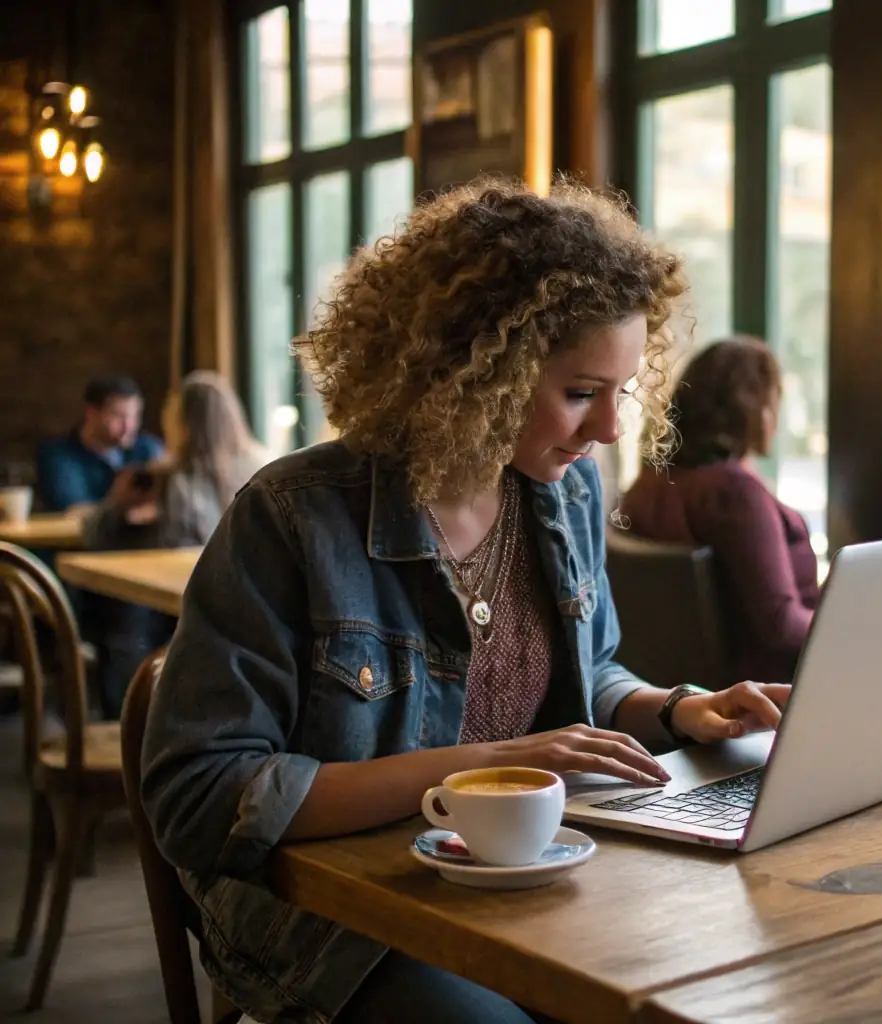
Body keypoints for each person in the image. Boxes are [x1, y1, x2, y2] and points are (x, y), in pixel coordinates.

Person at [140, 178, 791, 1024]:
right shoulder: (296, 516)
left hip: (528, 874)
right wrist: (475, 769)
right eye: (580, 392)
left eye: (621, 392)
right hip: (338, 913)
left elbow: (584, 675)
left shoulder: (565, 494)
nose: (609, 431)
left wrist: (676, 712)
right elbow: (198, 796)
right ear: (473, 371)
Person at [620, 337, 820, 685]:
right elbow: (780, 626)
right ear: (757, 409)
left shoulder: (651, 483)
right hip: (773, 692)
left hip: (685, 686)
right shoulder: (732, 494)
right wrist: (854, 630)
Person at [80, 371, 271, 716]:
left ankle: (130, 727)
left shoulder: (170, 479)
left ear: (181, 422)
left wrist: (116, 507)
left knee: (124, 623)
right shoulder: (264, 468)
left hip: (193, 609)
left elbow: (94, 534)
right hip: (253, 609)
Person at [35, 373, 164, 513]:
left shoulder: (148, 448)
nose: (129, 426)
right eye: (118, 416)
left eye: (135, 416)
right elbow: (74, 510)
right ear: (92, 414)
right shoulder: (59, 456)